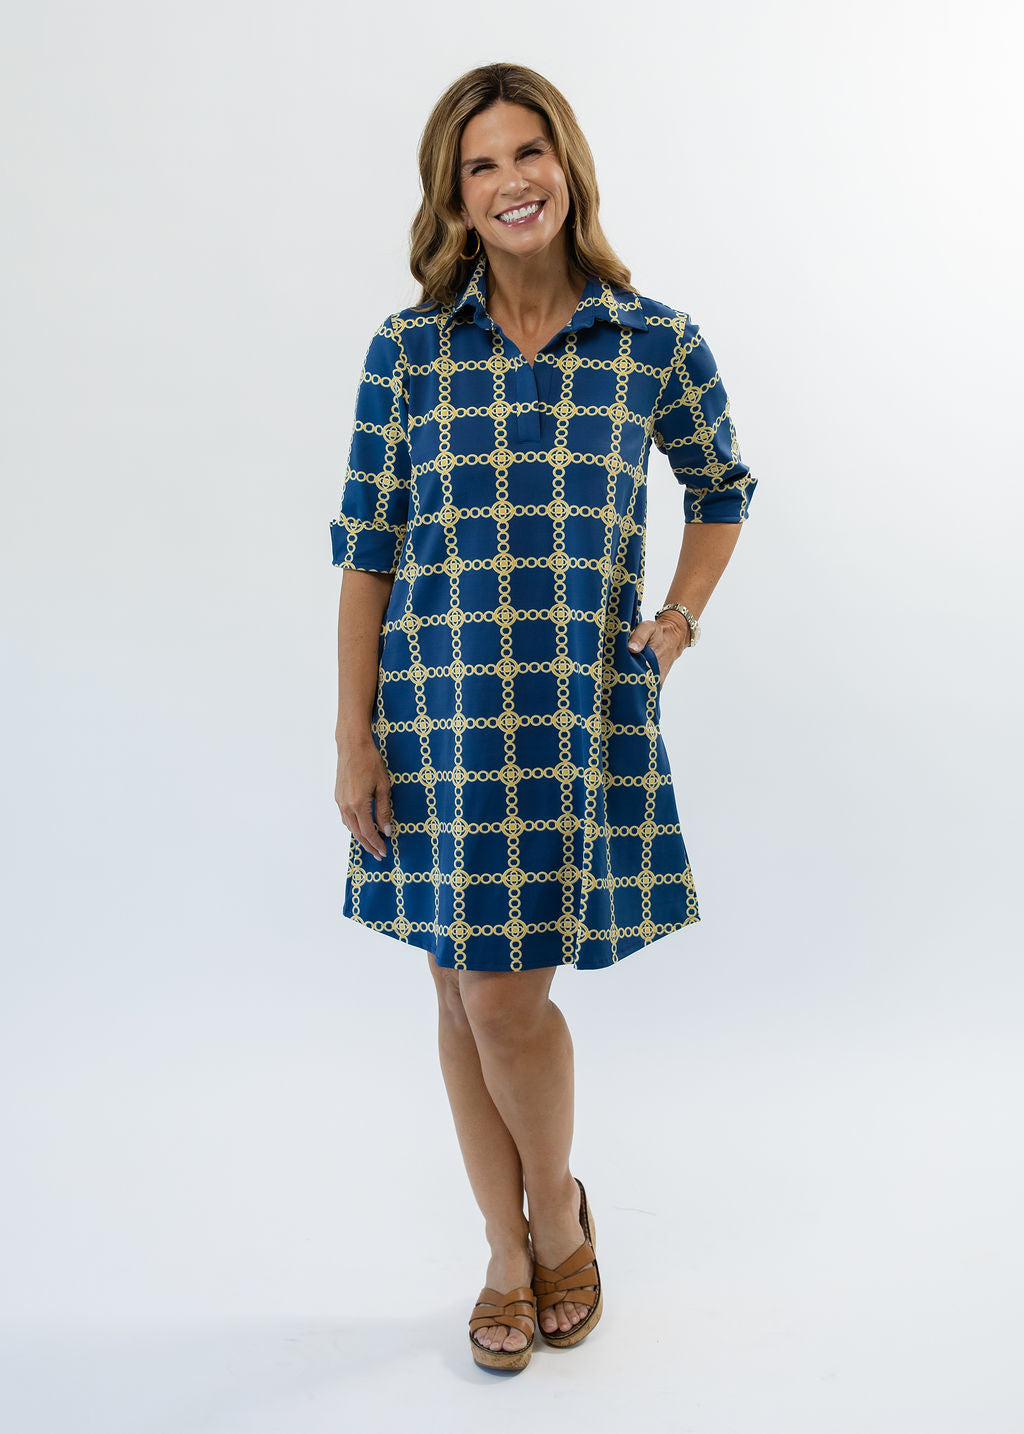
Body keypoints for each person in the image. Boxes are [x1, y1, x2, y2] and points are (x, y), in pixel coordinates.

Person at [331, 62, 757, 1372]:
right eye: (481, 165)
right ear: (453, 199)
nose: (512, 180)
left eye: (530, 152)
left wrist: (676, 619)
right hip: (432, 716)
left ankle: (558, 1211)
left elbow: (722, 487)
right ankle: (507, 1251)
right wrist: (352, 737)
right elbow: (366, 552)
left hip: (567, 716)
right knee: (460, 992)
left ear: (566, 165)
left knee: (505, 998)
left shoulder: (652, 342)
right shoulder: (409, 352)